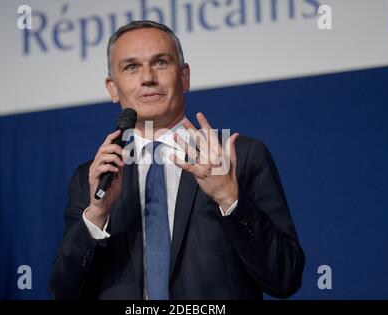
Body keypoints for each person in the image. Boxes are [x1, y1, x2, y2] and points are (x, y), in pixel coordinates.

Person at [50, 20, 305, 300]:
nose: (147, 77)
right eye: (131, 67)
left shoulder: (238, 157)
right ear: (112, 88)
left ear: (184, 77)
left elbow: (285, 277)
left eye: (160, 63)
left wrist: (230, 199)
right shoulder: (94, 178)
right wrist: (97, 214)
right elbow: (64, 293)